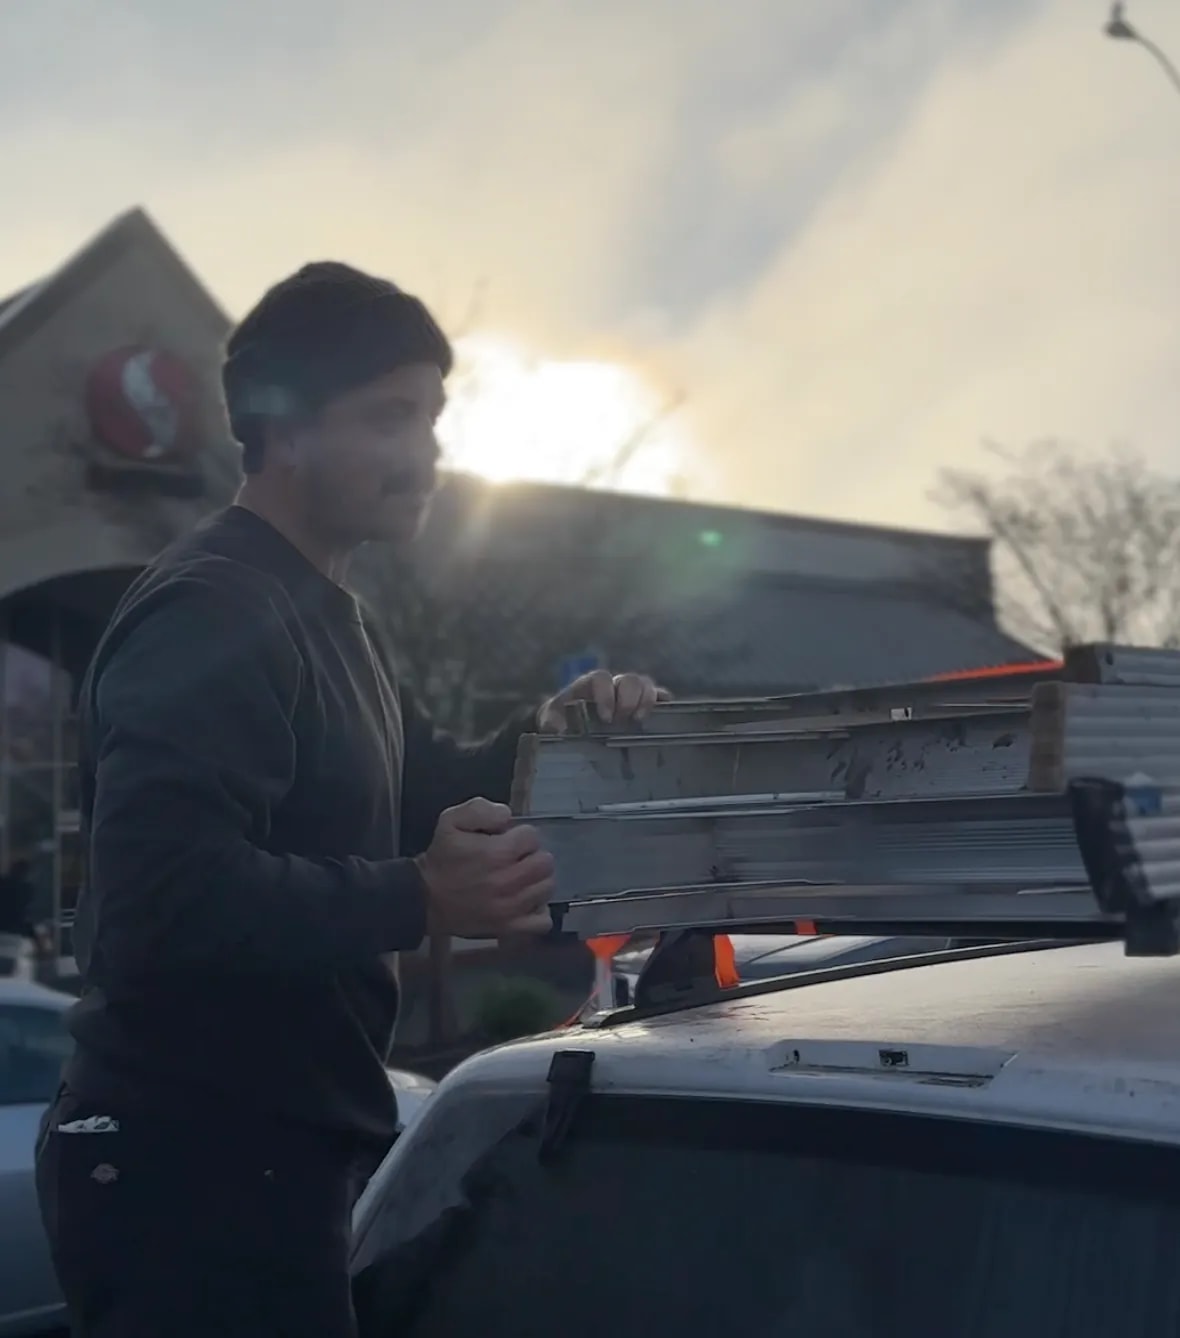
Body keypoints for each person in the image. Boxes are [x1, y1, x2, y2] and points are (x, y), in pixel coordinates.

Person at [35, 261, 664, 1338]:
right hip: (191, 1167)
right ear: (281, 423)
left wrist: (556, 730)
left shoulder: (334, 617)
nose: (426, 454)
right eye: (389, 417)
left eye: (432, 419)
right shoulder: (213, 608)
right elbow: (157, 898)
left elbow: (425, 794)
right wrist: (416, 895)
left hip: (268, 1157)